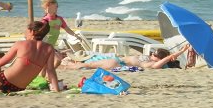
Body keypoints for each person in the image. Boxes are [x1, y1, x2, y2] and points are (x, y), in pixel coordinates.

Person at [0, 21, 60, 93]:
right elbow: (51, 71)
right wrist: (57, 90)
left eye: (27, 30)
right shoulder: (49, 48)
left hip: (2, 82)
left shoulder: (20, 44)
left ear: (32, 32)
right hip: (19, 88)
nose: (25, 33)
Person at [62, 44, 191, 70]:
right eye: (152, 53)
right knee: (88, 62)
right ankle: (67, 65)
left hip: (116, 62)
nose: (152, 54)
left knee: (87, 65)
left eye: (155, 54)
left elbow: (168, 58)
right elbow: (169, 57)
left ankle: (67, 67)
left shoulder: (153, 65)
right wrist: (181, 50)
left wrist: (181, 52)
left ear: (160, 59)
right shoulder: (150, 59)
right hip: (117, 58)